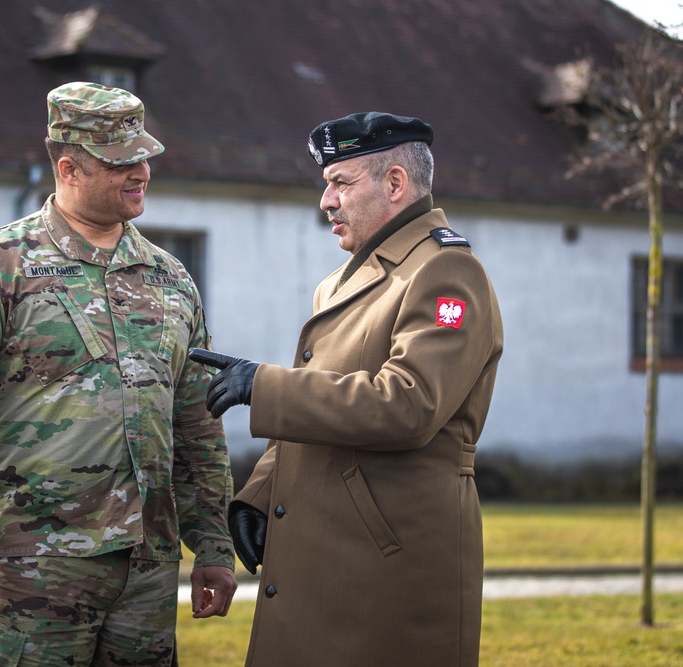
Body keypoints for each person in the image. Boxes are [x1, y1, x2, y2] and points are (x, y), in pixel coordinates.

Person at [0, 82, 237, 667]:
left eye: (145, 158)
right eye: (121, 162)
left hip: (146, 571)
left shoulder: (169, 279)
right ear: (68, 168)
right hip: (30, 565)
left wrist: (211, 541)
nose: (141, 173)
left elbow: (197, 422)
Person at [191, 111, 503, 666]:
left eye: (341, 183)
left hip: (389, 566)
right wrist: (260, 494)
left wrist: (263, 386)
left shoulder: (447, 274)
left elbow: (409, 404)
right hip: (326, 550)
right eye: (325, 184)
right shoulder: (341, 282)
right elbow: (319, 402)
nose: (326, 202)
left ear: (395, 184)